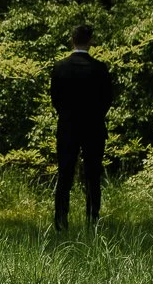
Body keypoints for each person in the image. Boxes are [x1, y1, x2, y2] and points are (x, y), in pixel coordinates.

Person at [48, 23, 115, 231]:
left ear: (72, 40)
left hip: (68, 127)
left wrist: (67, 116)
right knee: (93, 175)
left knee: (65, 174)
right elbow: (107, 100)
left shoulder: (60, 67)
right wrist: (95, 115)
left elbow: (55, 99)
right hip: (93, 126)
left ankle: (60, 221)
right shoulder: (100, 69)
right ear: (91, 42)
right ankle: (93, 220)